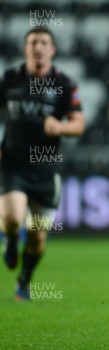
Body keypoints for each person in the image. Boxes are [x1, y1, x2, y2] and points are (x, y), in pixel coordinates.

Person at [0, 27, 85, 300]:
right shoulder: (10, 80)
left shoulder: (65, 84)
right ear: (25, 49)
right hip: (12, 165)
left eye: (44, 43)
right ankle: (12, 239)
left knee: (37, 238)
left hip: (46, 170)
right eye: (33, 42)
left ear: (52, 50)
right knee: (13, 218)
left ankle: (24, 280)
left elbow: (79, 125)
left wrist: (60, 128)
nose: (38, 47)